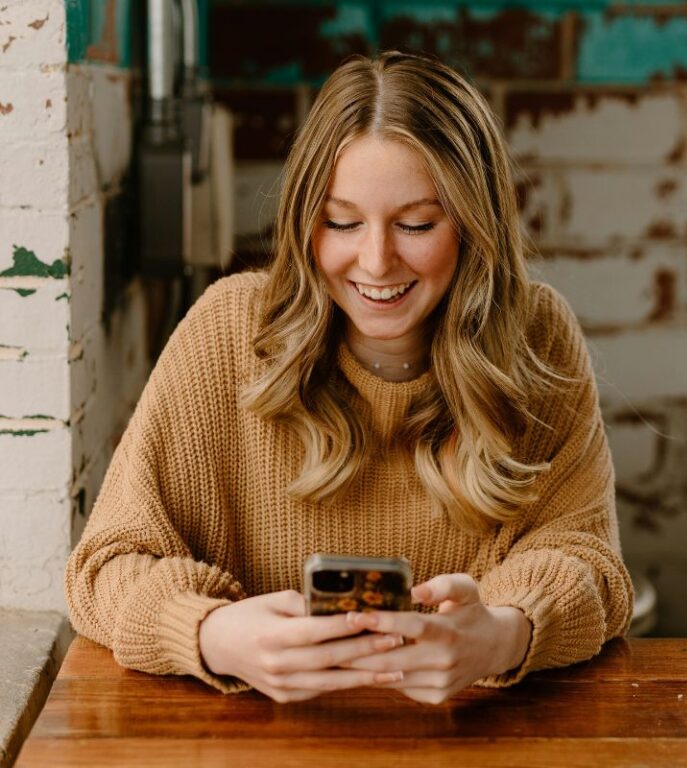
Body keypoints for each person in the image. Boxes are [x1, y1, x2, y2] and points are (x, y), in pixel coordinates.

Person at [65, 51, 633, 705]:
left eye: (417, 224)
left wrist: (502, 636)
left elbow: (591, 564)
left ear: (476, 228)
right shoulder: (226, 331)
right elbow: (105, 567)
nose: (375, 261)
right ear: (306, 220)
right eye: (341, 222)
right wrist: (213, 634)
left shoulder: (538, 335)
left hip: (469, 742)